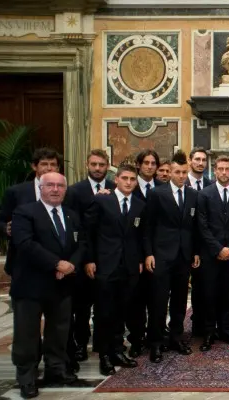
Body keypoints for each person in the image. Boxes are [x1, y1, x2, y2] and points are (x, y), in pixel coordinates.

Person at [10, 172, 85, 399]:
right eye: (50, 185)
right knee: (27, 333)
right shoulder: (25, 212)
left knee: (59, 331)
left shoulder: (72, 215)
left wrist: (71, 265)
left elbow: (81, 243)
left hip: (62, 285)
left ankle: (56, 370)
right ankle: (27, 377)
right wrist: (56, 264)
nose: (55, 189)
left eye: (60, 186)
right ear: (40, 188)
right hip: (31, 285)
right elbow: (25, 244)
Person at [83, 163, 143, 376]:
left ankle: (118, 350)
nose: (128, 182)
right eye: (125, 178)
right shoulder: (102, 200)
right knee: (103, 312)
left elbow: (138, 236)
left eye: (132, 179)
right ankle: (104, 355)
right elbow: (88, 232)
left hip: (128, 266)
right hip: (105, 265)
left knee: (121, 311)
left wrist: (140, 259)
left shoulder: (138, 204)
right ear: (116, 179)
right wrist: (89, 259)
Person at [143, 151, 200, 363]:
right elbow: (147, 227)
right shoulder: (157, 194)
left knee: (179, 300)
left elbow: (194, 228)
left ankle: (176, 337)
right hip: (161, 255)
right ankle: (156, 342)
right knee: (158, 300)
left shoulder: (193, 195)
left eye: (184, 172)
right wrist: (148, 253)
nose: (181, 176)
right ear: (170, 173)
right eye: (177, 172)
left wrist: (195, 251)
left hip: (184, 256)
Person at [64, 149, 116, 369]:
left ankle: (104, 345)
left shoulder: (115, 188)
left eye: (102, 165)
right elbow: (75, 226)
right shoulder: (75, 191)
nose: (97, 168)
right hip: (85, 255)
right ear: (87, 164)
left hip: (110, 257)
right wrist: (85, 259)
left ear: (108, 166)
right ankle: (80, 343)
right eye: (94, 164)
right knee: (82, 306)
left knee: (106, 306)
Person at [197, 155, 229, 350]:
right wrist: (218, 248)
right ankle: (209, 332)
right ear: (214, 171)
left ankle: (227, 330)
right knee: (209, 294)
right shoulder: (204, 194)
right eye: (221, 169)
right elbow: (202, 225)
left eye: (227, 169)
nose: (224, 173)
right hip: (211, 255)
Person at [0, 147, 61, 276]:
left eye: (53, 164)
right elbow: (0, 221)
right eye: (44, 164)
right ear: (34, 166)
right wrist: (6, 228)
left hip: (57, 262)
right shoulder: (16, 192)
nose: (49, 168)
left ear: (58, 168)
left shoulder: (66, 192)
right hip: (23, 262)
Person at [127, 149, 162, 358]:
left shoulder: (162, 188)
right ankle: (136, 339)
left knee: (156, 299)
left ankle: (155, 337)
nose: (150, 166)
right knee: (135, 301)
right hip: (134, 254)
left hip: (158, 254)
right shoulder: (127, 186)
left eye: (153, 163)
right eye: (146, 163)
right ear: (139, 165)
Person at [185, 147, 211, 337]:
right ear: (190, 160)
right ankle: (195, 323)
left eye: (204, 160)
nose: (201, 163)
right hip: (185, 244)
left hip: (207, 246)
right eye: (197, 159)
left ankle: (205, 323)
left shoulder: (210, 184)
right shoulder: (181, 183)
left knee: (205, 286)